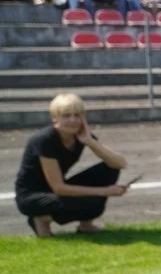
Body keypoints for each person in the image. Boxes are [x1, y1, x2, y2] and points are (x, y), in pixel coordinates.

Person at [14, 94, 131, 238]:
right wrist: (105, 191)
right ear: (54, 118)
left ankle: (85, 225)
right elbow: (59, 188)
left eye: (77, 115)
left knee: (109, 168)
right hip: (32, 196)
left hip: (55, 189)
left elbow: (120, 163)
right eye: (66, 115)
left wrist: (90, 141)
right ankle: (40, 219)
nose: (73, 120)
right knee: (91, 204)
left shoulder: (81, 135)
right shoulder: (44, 140)